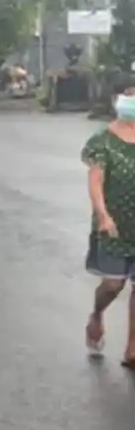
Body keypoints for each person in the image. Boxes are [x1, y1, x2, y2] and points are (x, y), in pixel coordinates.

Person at [83, 76, 135, 365]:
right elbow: (96, 180)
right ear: (118, 101)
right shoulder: (102, 141)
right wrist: (103, 214)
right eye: (130, 95)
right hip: (114, 224)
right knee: (113, 285)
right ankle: (97, 314)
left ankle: (132, 348)